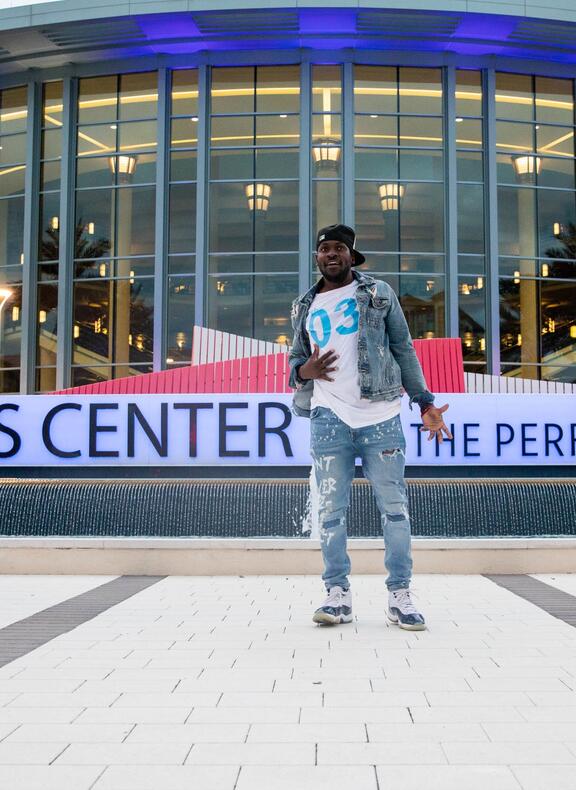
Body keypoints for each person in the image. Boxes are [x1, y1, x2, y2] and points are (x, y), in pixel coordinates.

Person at [289, 224, 452, 630]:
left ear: (351, 255)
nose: (331, 254)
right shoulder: (303, 305)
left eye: (339, 248)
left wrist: (424, 401)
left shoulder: (378, 293)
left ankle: (400, 595)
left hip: (380, 416)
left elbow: (403, 347)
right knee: (330, 511)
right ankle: (337, 595)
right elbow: (295, 362)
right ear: (317, 256)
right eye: (324, 248)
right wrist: (303, 371)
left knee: (394, 510)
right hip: (328, 418)